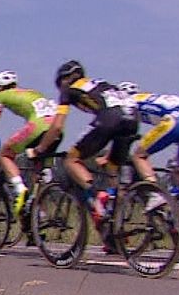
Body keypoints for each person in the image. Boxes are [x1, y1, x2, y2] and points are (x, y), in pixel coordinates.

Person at [32, 60, 142, 216]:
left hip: (110, 118)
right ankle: (115, 216)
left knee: (71, 159)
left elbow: (57, 127)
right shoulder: (102, 84)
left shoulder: (69, 89)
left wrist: (40, 148)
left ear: (65, 79)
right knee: (112, 166)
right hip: (132, 119)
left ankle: (98, 197)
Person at [0, 70, 60, 214]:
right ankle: (38, 216)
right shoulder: (32, 92)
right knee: (38, 172)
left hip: (37, 127)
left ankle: (19, 189)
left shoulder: (1, 95)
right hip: (56, 129)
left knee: (5, 154)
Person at [115, 82, 179, 184]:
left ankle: (155, 193)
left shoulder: (129, 102)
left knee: (139, 156)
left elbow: (126, 128)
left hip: (173, 122)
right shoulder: (152, 97)